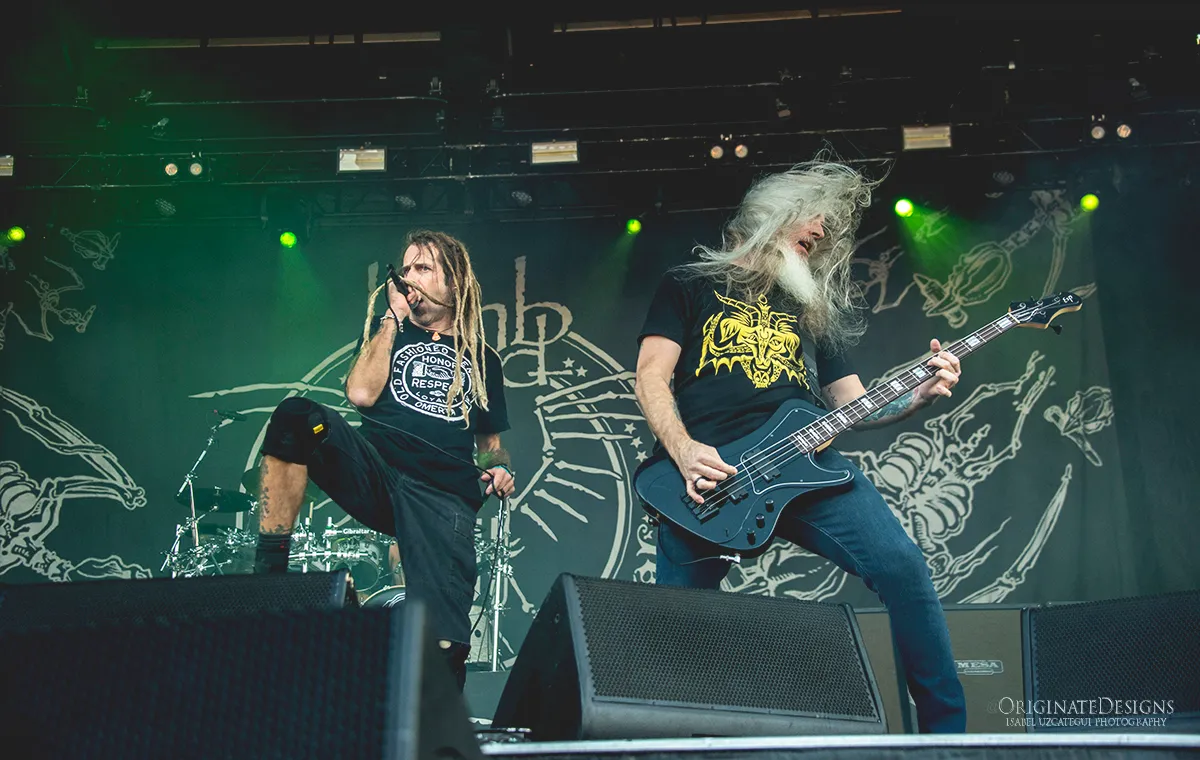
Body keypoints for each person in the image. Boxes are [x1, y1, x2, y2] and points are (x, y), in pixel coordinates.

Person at [634, 156, 967, 732]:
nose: (821, 231)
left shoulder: (809, 307)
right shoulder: (688, 284)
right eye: (814, 216)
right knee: (682, 618)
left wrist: (917, 396)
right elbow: (650, 377)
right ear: (774, 212)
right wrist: (684, 451)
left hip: (806, 463)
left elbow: (854, 403)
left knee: (903, 567)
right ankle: (676, 742)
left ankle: (948, 736)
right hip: (712, 476)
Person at [252, 230, 514, 691]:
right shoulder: (387, 331)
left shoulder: (482, 358)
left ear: (453, 282)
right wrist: (391, 320)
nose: (409, 277)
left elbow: (489, 441)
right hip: (377, 469)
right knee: (297, 417)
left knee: (444, 641)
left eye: (423, 268)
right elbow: (360, 394)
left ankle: (434, 721)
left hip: (443, 493)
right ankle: (269, 570)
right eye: (406, 268)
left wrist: (500, 466)